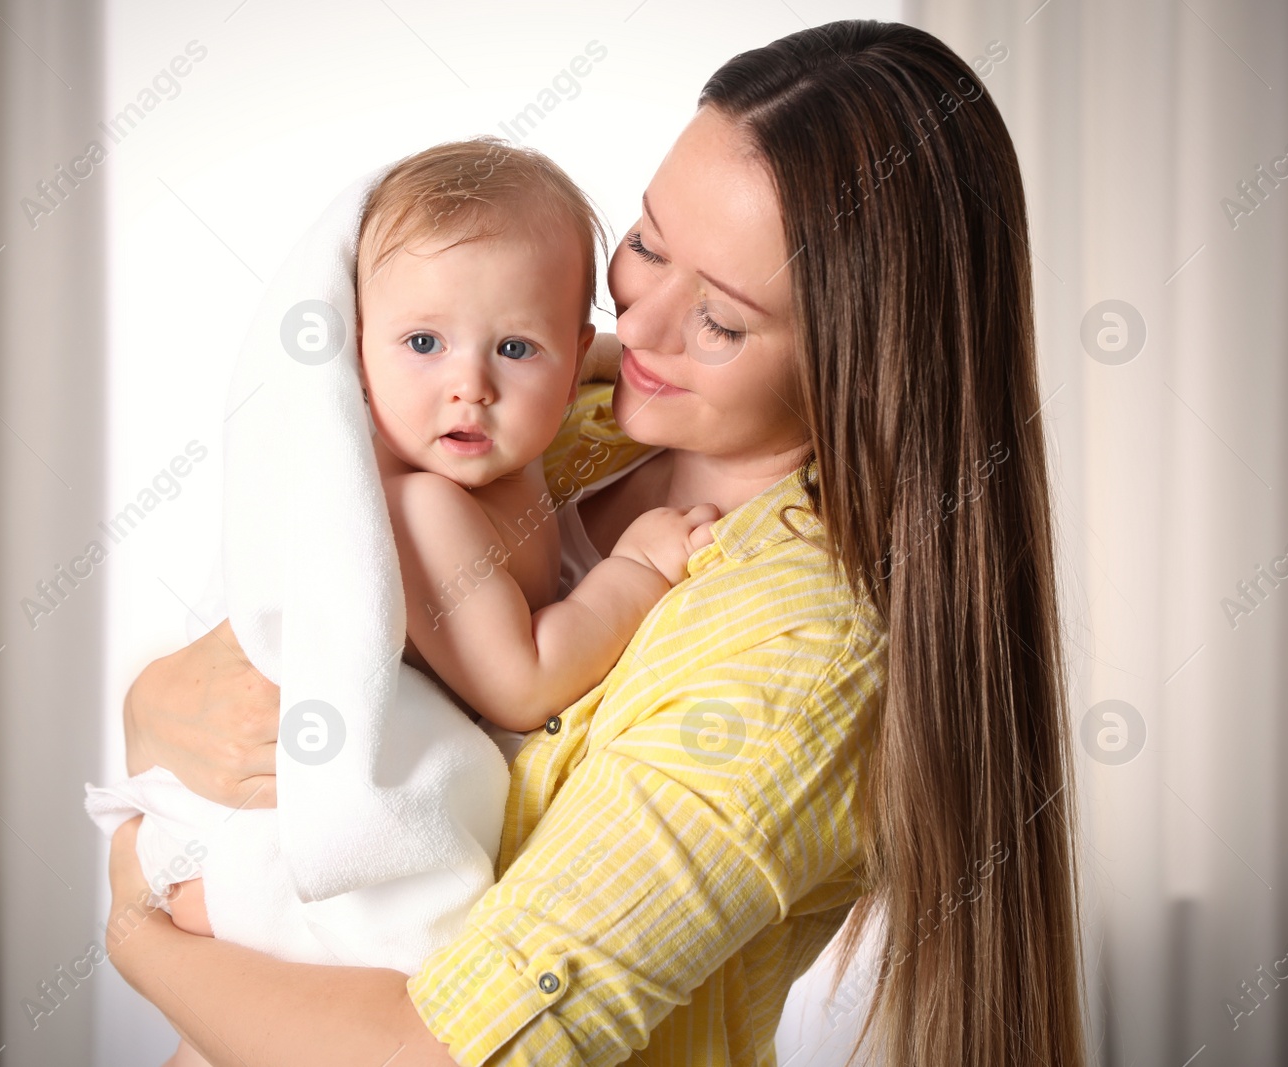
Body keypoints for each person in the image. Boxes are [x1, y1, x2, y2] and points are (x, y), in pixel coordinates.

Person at [107, 20, 1087, 1067]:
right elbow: (268, 639)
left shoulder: (799, 655)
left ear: (858, 360)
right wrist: (153, 709)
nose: (637, 319)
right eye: (649, 244)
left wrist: (134, 932)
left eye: (718, 317)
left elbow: (451, 1055)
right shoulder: (569, 422)